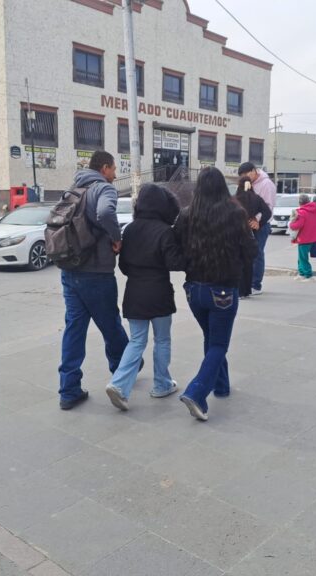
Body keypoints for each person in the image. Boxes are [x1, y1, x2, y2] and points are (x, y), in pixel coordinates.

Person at [174, 167, 256, 421]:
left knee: (211, 338)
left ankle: (221, 386)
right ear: (223, 187)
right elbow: (251, 251)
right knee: (218, 344)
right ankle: (197, 392)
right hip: (223, 289)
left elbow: (175, 246)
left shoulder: (186, 214)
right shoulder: (235, 214)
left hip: (194, 289)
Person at [57, 150, 129, 411]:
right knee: (111, 326)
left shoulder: (73, 189)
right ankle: (124, 372)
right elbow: (105, 212)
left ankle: (69, 390)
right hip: (96, 273)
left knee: (74, 330)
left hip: (69, 270)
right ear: (105, 168)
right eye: (114, 169)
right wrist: (116, 238)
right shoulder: (104, 189)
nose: (115, 175)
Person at [105, 184, 184, 411]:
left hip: (134, 293)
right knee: (162, 340)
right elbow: (174, 263)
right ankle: (162, 384)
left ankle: (118, 384)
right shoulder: (165, 231)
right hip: (159, 293)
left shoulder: (129, 229)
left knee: (137, 341)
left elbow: (123, 266)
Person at [238, 161, 276, 295]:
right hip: (246, 224)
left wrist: (257, 220)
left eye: (246, 174)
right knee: (246, 254)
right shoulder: (248, 184)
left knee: (257, 253)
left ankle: (256, 285)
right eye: (242, 176)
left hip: (261, 224)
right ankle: (246, 284)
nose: (245, 178)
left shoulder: (266, 184)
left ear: (254, 171)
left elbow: (268, 207)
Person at [233, 176, 267, 297]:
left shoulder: (234, 199)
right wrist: (258, 222)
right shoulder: (256, 198)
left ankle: (240, 291)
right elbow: (267, 212)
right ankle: (248, 289)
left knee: (239, 260)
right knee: (249, 260)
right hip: (250, 233)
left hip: (236, 232)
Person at [288, 193, 316, 281]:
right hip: (314, 237)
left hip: (304, 238)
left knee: (303, 258)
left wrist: (290, 224)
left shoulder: (301, 212)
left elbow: (297, 225)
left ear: (300, 202)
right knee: (301, 257)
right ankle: (301, 273)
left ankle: (308, 275)